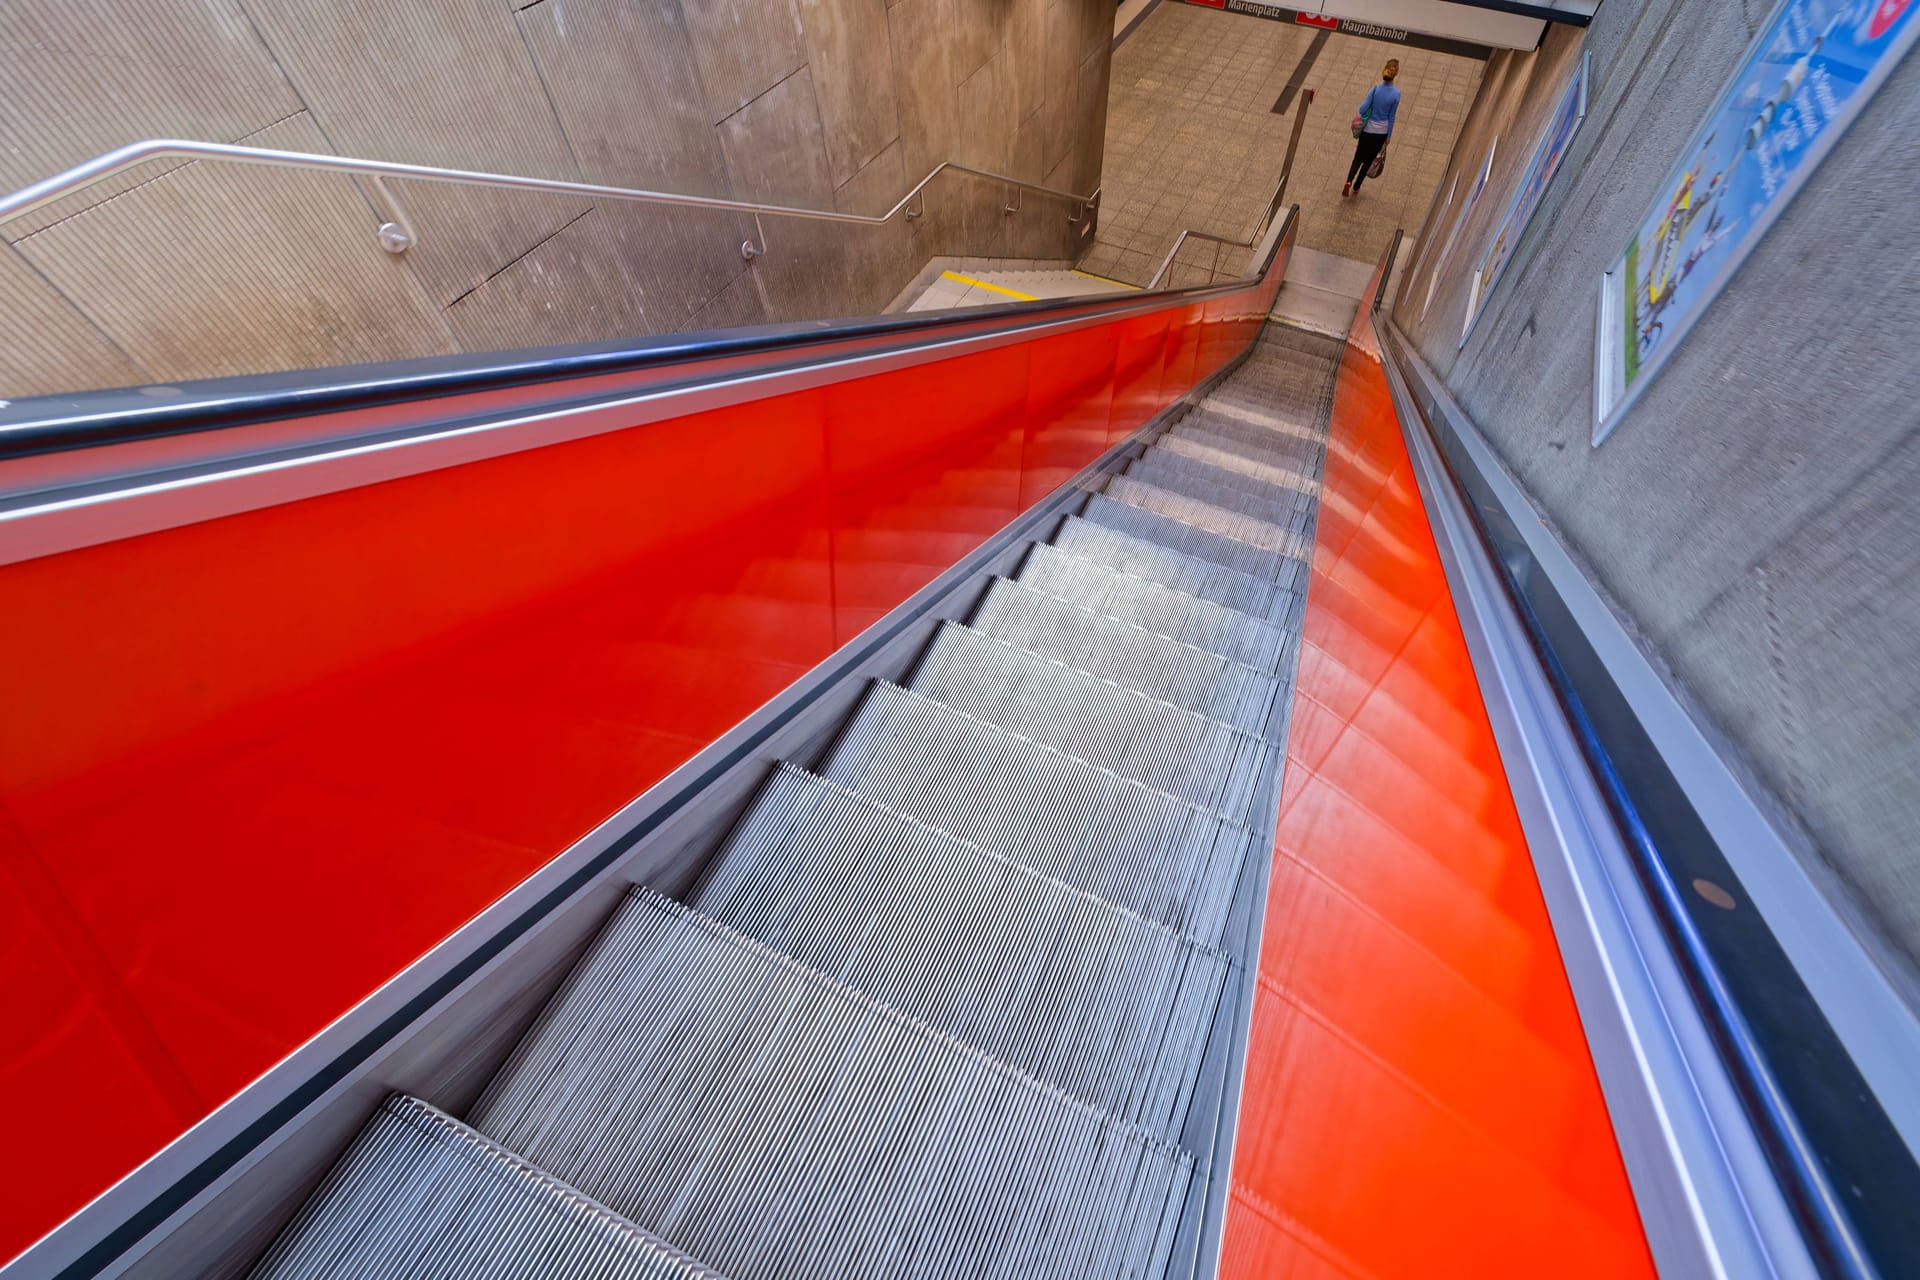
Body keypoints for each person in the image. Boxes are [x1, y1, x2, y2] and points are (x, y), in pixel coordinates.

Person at [1344, 60, 1402, 197]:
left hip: (1367, 130)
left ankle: (1348, 181)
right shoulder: (1396, 94)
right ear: (1395, 74)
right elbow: (1391, 117)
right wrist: (1388, 137)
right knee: (1368, 160)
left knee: (1358, 158)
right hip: (1380, 134)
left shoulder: (1375, 89)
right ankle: (1357, 187)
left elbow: (1362, 108)